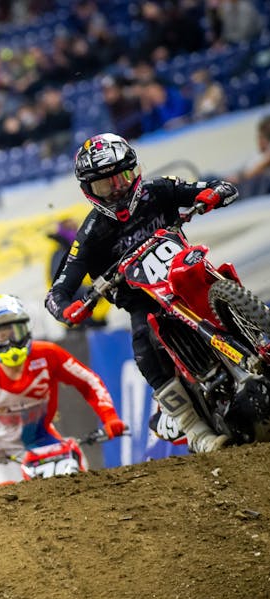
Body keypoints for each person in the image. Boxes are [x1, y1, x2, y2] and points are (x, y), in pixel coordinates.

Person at [45, 132, 239, 453]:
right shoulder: (90, 234)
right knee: (143, 346)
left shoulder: (159, 190)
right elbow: (57, 292)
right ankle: (194, 429)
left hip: (186, 272)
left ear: (134, 171)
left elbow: (214, 187)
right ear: (89, 190)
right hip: (144, 301)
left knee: (224, 276)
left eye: (121, 178)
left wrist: (215, 193)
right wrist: (68, 309)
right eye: (105, 185)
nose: (116, 189)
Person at [0, 294, 125, 487]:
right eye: (2, 336)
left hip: (44, 441)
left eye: (16, 332)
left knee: (81, 484)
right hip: (3, 456)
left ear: (26, 329)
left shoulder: (49, 354)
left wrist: (109, 417)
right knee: (8, 497)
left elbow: (88, 381)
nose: (11, 341)